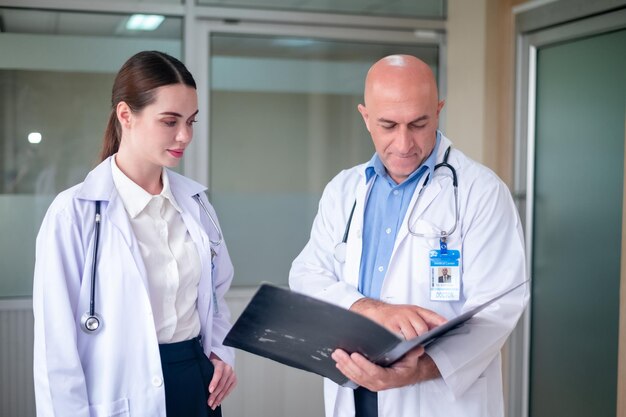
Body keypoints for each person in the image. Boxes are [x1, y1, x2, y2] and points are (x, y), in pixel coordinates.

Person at [289, 54, 529, 417]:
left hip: (439, 399)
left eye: (419, 124)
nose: (403, 144)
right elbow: (307, 274)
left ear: (438, 110)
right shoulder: (344, 190)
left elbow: (498, 308)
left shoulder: (480, 191)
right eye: (388, 125)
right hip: (354, 393)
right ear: (365, 117)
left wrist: (419, 370)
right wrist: (370, 309)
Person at [33, 50, 237, 417]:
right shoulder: (73, 214)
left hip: (196, 382)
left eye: (191, 121)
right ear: (126, 115)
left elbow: (216, 294)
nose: (184, 135)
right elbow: (56, 349)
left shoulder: (195, 205)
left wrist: (221, 351)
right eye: (169, 121)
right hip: (120, 391)